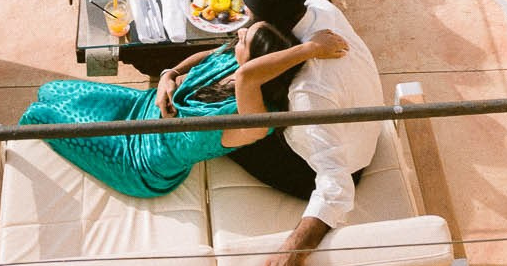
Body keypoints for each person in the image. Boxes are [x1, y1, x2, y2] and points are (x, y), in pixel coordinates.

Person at [17, 20, 345, 201]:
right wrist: (167, 76)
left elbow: (247, 77)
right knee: (51, 90)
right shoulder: (233, 57)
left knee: (40, 117)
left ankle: (15, 146)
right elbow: (203, 58)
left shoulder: (255, 118)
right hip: (140, 107)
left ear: (257, 67)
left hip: (139, 162)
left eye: (245, 39)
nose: (240, 33)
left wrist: (310, 49)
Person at [225, 0, 383, 266]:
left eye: (246, 9)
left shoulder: (309, 94)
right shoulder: (318, 8)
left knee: (219, 131)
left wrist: (294, 251)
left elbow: (337, 185)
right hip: (349, 126)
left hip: (330, 163)